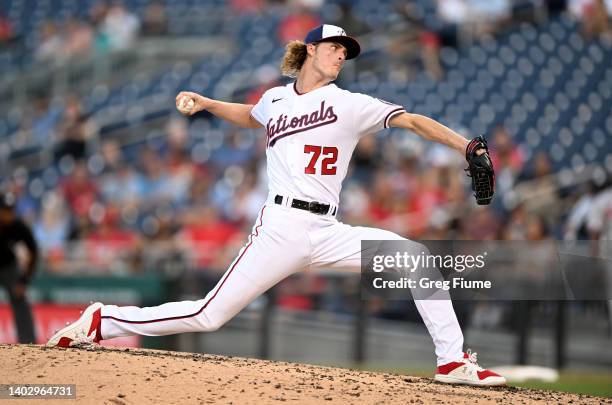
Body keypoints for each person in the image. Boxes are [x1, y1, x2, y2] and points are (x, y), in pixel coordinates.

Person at [47, 24, 505, 387]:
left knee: (416, 258)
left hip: (329, 231)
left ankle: (452, 362)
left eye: (346, 51)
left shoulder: (351, 103)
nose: (341, 54)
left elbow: (413, 122)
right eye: (334, 47)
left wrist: (465, 145)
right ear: (310, 50)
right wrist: (207, 103)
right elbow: (250, 115)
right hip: (281, 227)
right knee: (209, 315)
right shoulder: (275, 99)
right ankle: (102, 319)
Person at [0, 193, 38, 343]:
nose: (9, 214)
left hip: (9, 266)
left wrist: (24, 280)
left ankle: (28, 342)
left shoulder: (18, 226)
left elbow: (33, 251)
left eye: (11, 210)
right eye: (5, 210)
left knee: (20, 300)